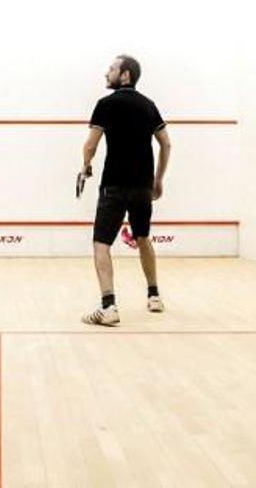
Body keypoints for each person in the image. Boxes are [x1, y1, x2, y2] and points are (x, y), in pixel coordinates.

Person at [79, 55, 171, 326]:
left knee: (101, 243)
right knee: (142, 237)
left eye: (111, 69)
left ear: (125, 75)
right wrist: (158, 179)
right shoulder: (148, 105)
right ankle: (154, 296)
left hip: (114, 186)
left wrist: (86, 165)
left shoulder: (106, 105)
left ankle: (108, 307)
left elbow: (90, 146)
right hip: (143, 186)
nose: (106, 73)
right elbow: (166, 143)